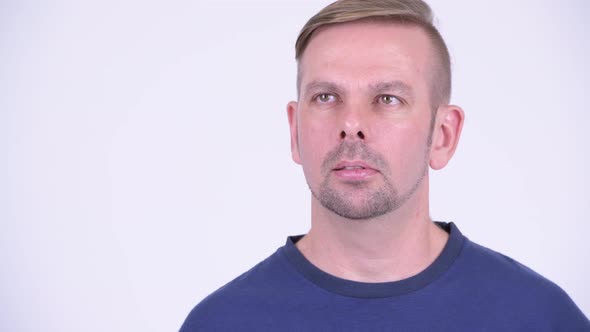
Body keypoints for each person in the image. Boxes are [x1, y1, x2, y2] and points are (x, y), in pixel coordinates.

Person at [179, 0, 590, 330]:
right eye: (326, 97)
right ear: (295, 130)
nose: (351, 124)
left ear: (443, 135)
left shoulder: (539, 317)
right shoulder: (221, 323)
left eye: (388, 99)